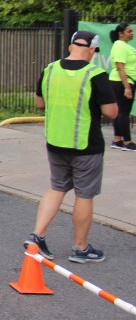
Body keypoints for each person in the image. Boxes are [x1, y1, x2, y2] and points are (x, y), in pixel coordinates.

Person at [25, 31, 117, 264]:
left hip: (56, 141)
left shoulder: (50, 69)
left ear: (69, 46)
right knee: (84, 194)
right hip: (86, 145)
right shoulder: (95, 74)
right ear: (92, 50)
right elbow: (111, 112)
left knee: (57, 187)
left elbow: (39, 103)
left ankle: (37, 236)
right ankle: (80, 248)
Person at [108, 23, 136, 151]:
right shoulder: (119, 45)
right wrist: (127, 87)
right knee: (123, 112)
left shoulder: (125, 46)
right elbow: (120, 67)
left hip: (126, 82)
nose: (132, 33)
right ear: (120, 33)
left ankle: (117, 140)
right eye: (129, 31)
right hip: (122, 82)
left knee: (120, 112)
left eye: (132, 31)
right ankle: (127, 142)